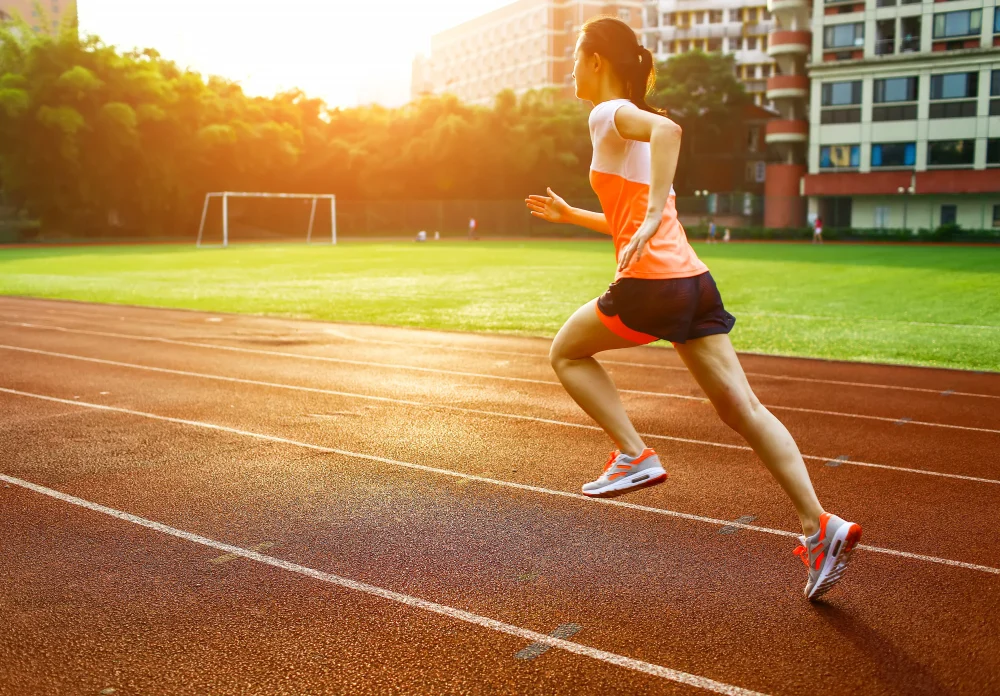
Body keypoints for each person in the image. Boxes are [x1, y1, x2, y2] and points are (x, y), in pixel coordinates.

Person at [524, 16, 861, 600]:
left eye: (576, 57)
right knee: (745, 410)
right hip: (693, 283)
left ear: (598, 60)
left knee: (567, 354)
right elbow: (630, 213)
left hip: (650, 285)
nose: (570, 69)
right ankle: (820, 525)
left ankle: (634, 454)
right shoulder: (622, 132)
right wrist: (576, 216)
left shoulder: (607, 114)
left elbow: (670, 131)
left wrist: (653, 214)